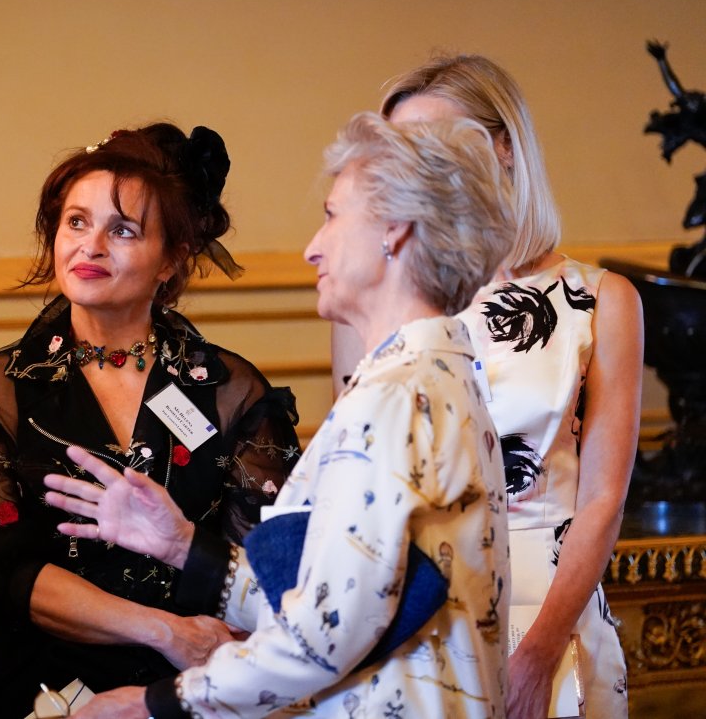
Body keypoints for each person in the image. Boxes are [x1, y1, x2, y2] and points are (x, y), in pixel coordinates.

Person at [45, 112, 516, 718]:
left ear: (393, 231)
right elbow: (344, 603)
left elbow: (323, 638)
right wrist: (186, 547)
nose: (312, 247)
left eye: (332, 215)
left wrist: (156, 703)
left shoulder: (398, 397)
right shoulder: (443, 374)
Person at [0, 123, 302, 717]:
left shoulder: (231, 391)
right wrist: (162, 632)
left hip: (191, 691)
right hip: (41, 692)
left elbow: (265, 573)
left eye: (122, 229)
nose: (89, 246)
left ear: (173, 259)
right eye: (76, 222)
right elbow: (3, 574)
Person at [333, 55, 642, 718]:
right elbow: (356, 486)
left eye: (434, 144)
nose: (418, 168)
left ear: (504, 147)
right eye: (400, 152)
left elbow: (602, 500)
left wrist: (538, 652)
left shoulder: (602, 299)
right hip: (411, 616)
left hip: (547, 611)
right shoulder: (376, 296)